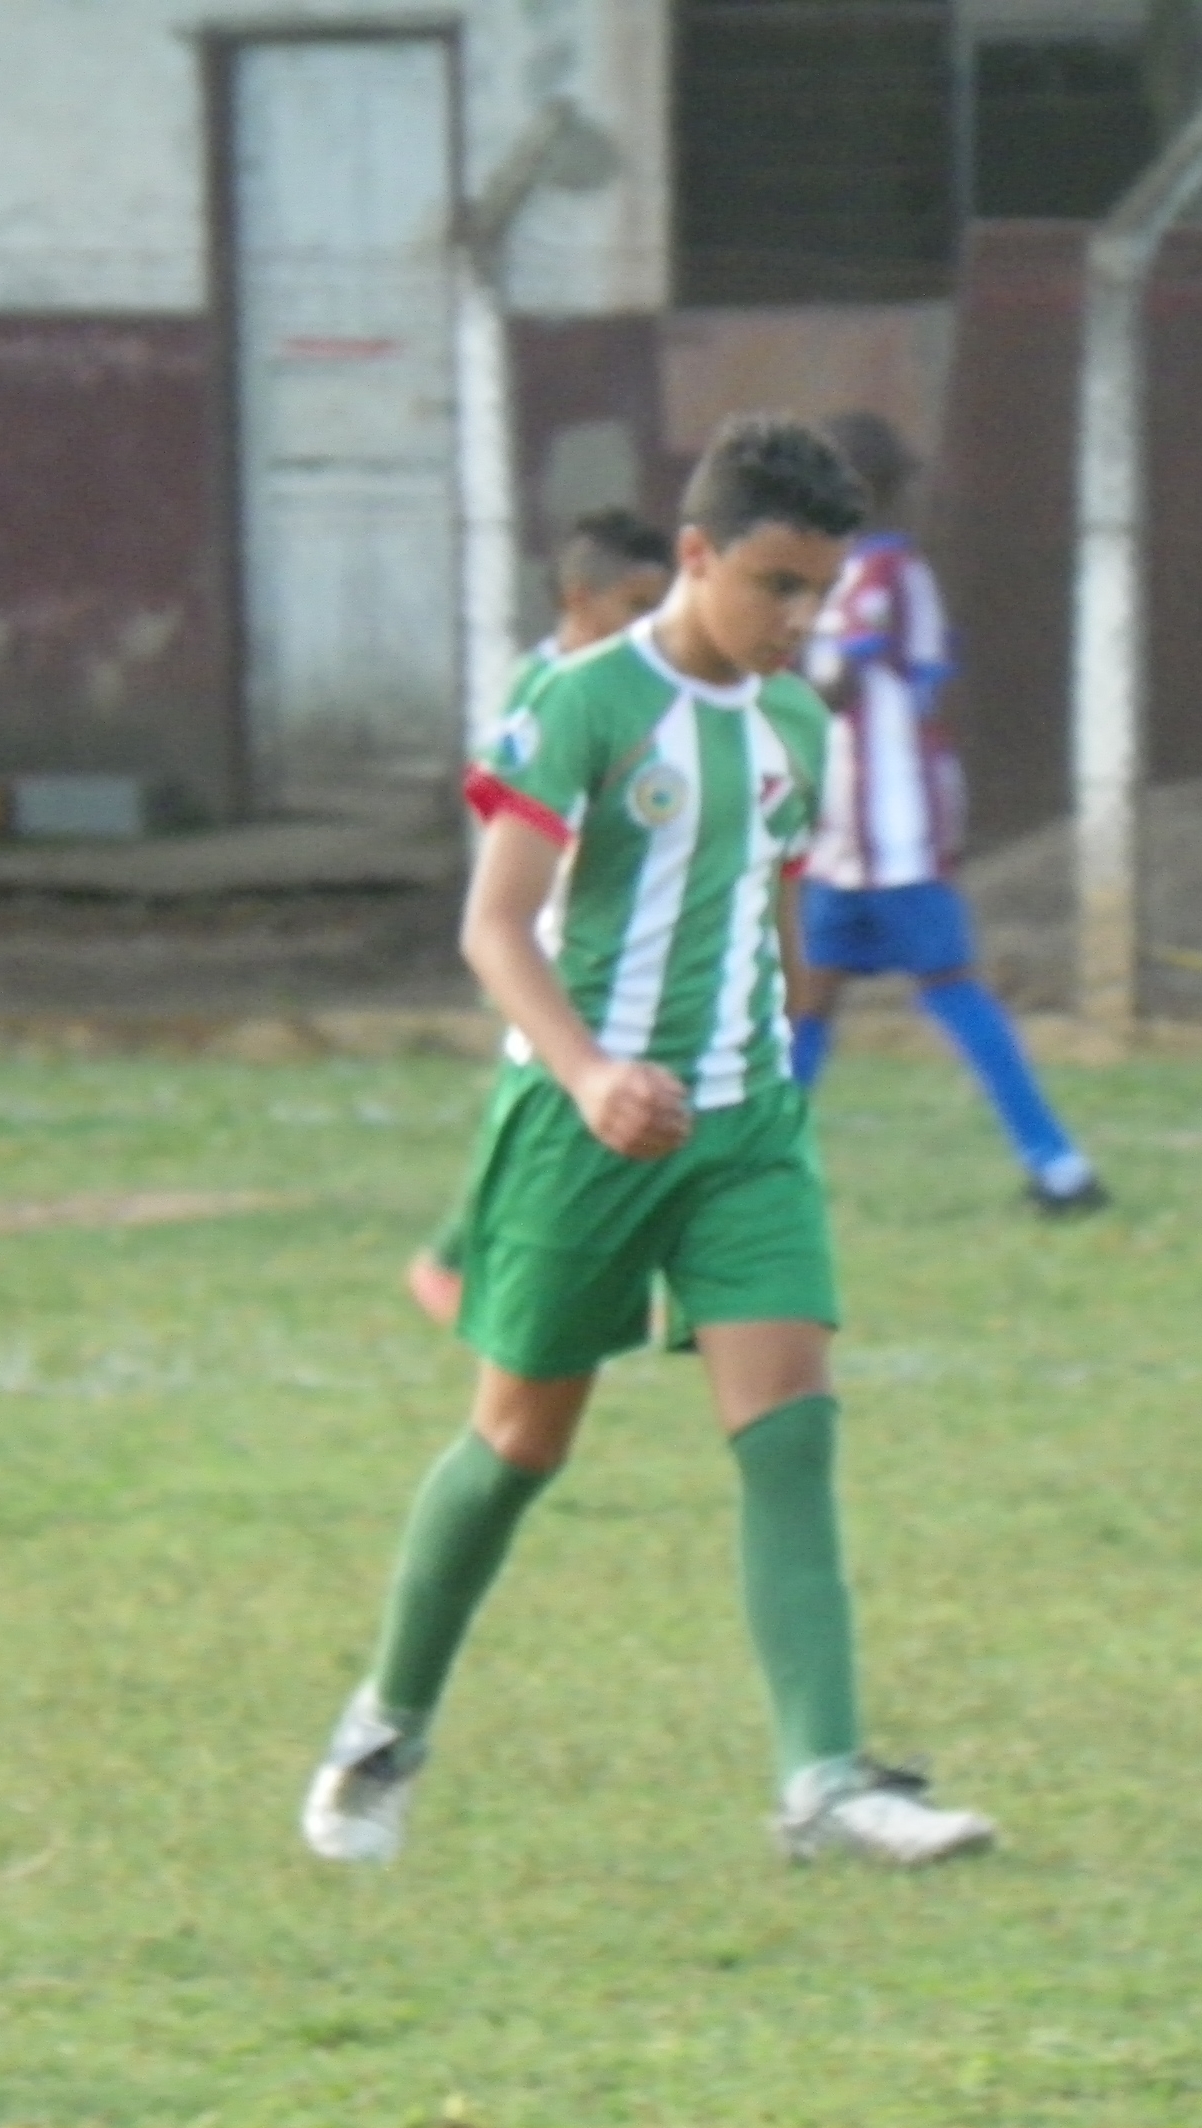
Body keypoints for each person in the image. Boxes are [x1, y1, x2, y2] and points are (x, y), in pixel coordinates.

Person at [303, 415, 998, 1870]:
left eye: (822, 592)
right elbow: (494, 926)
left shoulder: (797, 723)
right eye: (776, 585)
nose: (801, 620)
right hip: (582, 1132)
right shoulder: (583, 703)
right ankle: (385, 1727)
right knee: (518, 1443)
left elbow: (773, 902)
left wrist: (775, 1048)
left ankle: (825, 1785)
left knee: (790, 1427)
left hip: (744, 1129)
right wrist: (591, 1072)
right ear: (694, 555)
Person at [791, 409, 1106, 1217]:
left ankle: (1060, 1167)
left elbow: (840, 689)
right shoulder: (852, 575)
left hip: (891, 834)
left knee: (946, 985)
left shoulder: (881, 576)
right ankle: (746, 1180)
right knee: (809, 996)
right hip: (843, 833)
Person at [405, 506, 676, 1331]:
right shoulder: (545, 690)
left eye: (661, 609)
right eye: (636, 607)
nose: (651, 627)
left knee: (593, 1090)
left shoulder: (639, 686)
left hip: (613, 926)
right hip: (546, 927)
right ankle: (454, 1260)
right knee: (553, 1090)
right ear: (578, 597)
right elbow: (507, 801)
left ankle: (511, 1257)